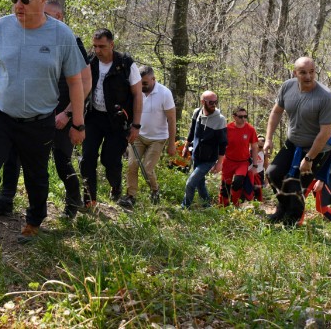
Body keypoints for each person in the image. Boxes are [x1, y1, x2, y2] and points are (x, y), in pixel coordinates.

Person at [0, 0, 87, 262]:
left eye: (25, 0)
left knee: (37, 178)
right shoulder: (2, 27)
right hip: (0, 117)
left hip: (39, 121)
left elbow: (76, 82)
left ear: (42, 0)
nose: (18, 5)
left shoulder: (61, 35)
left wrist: (77, 121)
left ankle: (34, 220)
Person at [0, 0, 92, 219]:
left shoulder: (71, 41)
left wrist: (68, 114)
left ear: (60, 18)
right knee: (14, 153)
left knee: (61, 158)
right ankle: (6, 198)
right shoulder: (29, 36)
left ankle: (73, 201)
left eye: (48, 14)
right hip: (32, 111)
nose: (41, 18)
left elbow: (85, 83)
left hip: (61, 111)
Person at [263, 56, 331, 227]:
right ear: (295, 73)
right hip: (293, 143)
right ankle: (282, 208)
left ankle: (290, 223)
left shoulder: (325, 97)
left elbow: (325, 132)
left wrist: (309, 158)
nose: (308, 77)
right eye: (303, 73)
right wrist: (268, 138)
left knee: (295, 187)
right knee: (273, 173)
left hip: (317, 149)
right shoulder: (287, 87)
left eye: (312, 72)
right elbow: (276, 112)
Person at [80, 29, 143, 208]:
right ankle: (89, 199)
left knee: (109, 160)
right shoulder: (89, 61)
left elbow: (137, 95)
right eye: (95, 46)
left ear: (112, 45)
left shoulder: (125, 64)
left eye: (102, 46)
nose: (98, 50)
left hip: (118, 120)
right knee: (87, 157)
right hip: (93, 117)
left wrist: (136, 125)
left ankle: (115, 186)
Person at [118, 66, 177, 208]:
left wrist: (171, 143)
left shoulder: (164, 93)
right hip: (138, 135)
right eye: (139, 82)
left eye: (144, 83)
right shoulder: (135, 91)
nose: (141, 85)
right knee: (132, 165)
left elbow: (172, 119)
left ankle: (155, 191)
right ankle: (131, 196)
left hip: (158, 138)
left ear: (153, 79)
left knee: (147, 168)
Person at [181, 91, 227, 209]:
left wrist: (219, 163)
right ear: (203, 102)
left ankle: (184, 207)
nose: (214, 104)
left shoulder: (220, 119)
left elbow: (223, 144)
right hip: (196, 155)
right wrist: (186, 146)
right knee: (200, 184)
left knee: (190, 183)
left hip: (209, 159)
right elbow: (192, 132)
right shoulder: (197, 113)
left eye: (216, 102)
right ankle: (207, 206)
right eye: (211, 102)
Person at [215, 107, 259, 207]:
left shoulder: (250, 129)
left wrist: (255, 165)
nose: (243, 119)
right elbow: (220, 145)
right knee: (225, 185)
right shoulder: (227, 128)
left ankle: (235, 204)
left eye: (245, 116)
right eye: (240, 116)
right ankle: (223, 206)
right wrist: (218, 161)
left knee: (238, 182)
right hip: (228, 161)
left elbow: (255, 147)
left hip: (243, 162)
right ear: (234, 117)